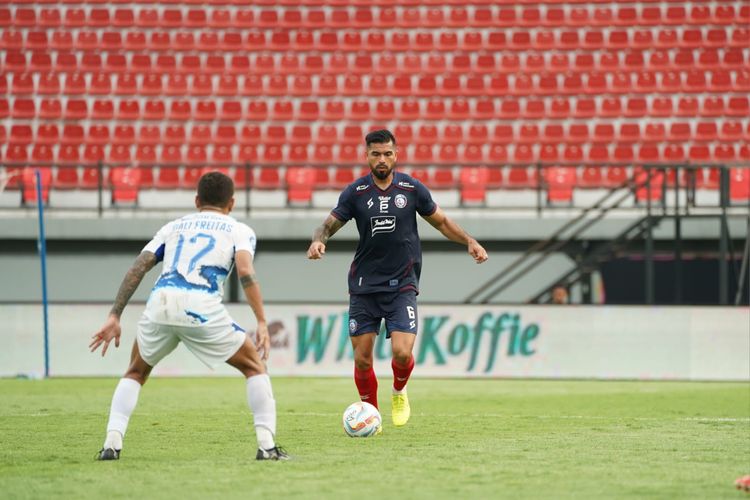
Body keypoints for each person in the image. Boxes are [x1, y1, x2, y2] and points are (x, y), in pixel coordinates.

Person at [89, 172, 288, 461]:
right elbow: (245, 271)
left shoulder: (173, 227)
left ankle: (111, 445)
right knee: (255, 368)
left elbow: (140, 266)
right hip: (200, 305)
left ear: (197, 200)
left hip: (160, 303)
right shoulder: (239, 229)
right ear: (231, 203)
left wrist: (114, 315)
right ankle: (267, 447)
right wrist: (261, 322)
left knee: (135, 372)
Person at [307, 129, 488, 428]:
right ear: (366, 155)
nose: (382, 159)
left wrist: (469, 241)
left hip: (402, 284)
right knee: (363, 359)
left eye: (387, 153)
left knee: (402, 354)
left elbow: (441, 222)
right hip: (364, 285)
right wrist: (318, 240)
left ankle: (399, 390)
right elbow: (326, 225)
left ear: (396, 154)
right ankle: (371, 415)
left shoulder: (411, 188)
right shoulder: (355, 193)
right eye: (376, 154)